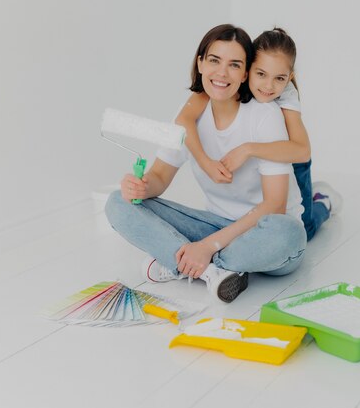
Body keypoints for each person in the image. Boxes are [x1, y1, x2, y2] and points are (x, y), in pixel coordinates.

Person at [105, 24, 306, 303]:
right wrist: (139, 187)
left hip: (262, 230)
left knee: (288, 234)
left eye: (234, 65)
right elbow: (159, 178)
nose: (222, 73)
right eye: (214, 60)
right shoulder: (189, 113)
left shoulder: (265, 115)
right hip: (214, 225)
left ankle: (184, 261)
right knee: (117, 202)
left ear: (245, 72)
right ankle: (213, 271)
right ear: (200, 63)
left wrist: (208, 246)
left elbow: (275, 206)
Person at [175, 27, 342, 241]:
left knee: (305, 226)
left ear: (289, 77)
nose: (268, 86)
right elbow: (184, 118)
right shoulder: (225, 85)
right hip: (266, 170)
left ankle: (324, 201)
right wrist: (205, 161)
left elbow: (302, 151)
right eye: (261, 74)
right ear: (247, 69)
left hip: (291, 160)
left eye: (279, 79)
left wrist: (248, 149)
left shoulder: (287, 96)